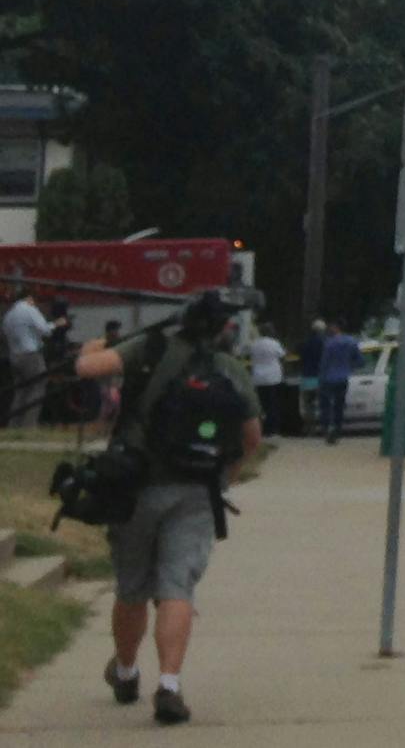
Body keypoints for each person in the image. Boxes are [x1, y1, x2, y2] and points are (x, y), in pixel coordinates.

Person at [75, 290, 263, 726]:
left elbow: (87, 369)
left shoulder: (150, 347)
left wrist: (92, 347)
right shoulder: (229, 370)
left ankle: (125, 672)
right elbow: (251, 438)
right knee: (177, 587)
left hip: (136, 487)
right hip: (197, 492)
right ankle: (170, 685)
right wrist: (222, 482)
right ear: (220, 331)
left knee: (132, 587)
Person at [5, 287, 55, 427]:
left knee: (20, 391)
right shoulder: (29, 309)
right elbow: (44, 330)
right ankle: (29, 425)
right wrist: (55, 324)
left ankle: (14, 424)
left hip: (14, 355)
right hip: (31, 354)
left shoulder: (10, 314)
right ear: (30, 297)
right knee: (37, 387)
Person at [317, 321, 362, 444]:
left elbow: (324, 363)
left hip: (327, 378)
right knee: (339, 405)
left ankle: (326, 430)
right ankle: (337, 430)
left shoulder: (329, 344)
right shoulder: (351, 342)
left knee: (326, 406)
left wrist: (320, 377)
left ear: (335, 329)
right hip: (343, 377)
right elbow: (359, 361)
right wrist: (349, 367)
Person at [246, 329, 287, 435]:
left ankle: (262, 427)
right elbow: (282, 356)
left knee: (262, 404)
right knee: (273, 403)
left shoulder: (254, 344)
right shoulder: (275, 343)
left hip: (258, 377)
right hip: (273, 377)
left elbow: (248, 355)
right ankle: (273, 428)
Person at [296, 319, 326, 434]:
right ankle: (324, 427)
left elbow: (299, 356)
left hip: (307, 377)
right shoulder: (325, 342)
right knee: (323, 403)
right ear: (322, 330)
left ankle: (310, 428)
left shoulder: (305, 342)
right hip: (321, 377)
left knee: (308, 405)